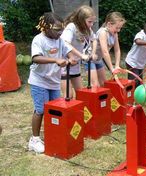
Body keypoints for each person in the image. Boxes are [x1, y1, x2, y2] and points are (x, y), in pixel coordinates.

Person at [28, 12, 76, 153]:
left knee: (55, 110)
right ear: (46, 27)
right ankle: (34, 140)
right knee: (41, 109)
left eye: (61, 29)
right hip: (39, 81)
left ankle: (53, 135)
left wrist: (71, 58)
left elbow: (68, 52)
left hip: (53, 81)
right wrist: (55, 60)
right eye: (57, 29)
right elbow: (36, 58)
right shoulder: (39, 39)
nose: (60, 32)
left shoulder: (59, 40)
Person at [61, 5, 97, 98]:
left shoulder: (86, 29)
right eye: (89, 22)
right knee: (69, 95)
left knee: (81, 93)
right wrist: (81, 55)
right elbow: (65, 43)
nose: (91, 24)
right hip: (65, 65)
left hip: (75, 66)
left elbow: (94, 39)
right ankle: (69, 112)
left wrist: (93, 53)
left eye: (93, 22)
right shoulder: (71, 27)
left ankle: (79, 112)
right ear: (81, 19)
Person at [87, 12, 126, 87]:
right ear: (109, 24)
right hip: (90, 59)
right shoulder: (103, 33)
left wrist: (117, 65)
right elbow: (105, 52)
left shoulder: (115, 34)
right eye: (117, 28)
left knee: (103, 83)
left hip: (98, 59)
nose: (118, 30)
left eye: (120, 28)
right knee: (95, 85)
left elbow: (117, 50)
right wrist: (112, 69)